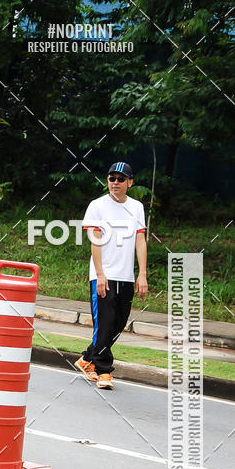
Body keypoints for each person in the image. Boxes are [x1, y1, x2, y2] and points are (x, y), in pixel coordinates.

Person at [76, 161, 148, 390]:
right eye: (111, 178)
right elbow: (95, 241)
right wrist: (100, 274)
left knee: (118, 325)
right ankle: (104, 371)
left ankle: (87, 359)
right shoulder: (97, 206)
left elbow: (140, 241)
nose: (115, 182)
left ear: (130, 182)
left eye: (120, 179)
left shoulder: (136, 207)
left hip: (126, 277)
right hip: (103, 275)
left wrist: (142, 274)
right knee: (105, 323)